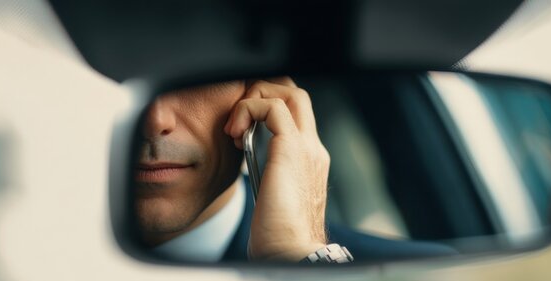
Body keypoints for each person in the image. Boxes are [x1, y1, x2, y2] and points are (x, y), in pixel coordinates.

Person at [134, 77, 458, 263]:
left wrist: (300, 257)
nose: (155, 121)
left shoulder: (427, 273)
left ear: (259, 91)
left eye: (196, 76)